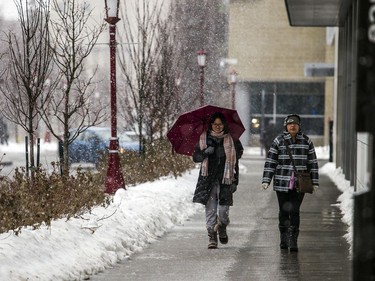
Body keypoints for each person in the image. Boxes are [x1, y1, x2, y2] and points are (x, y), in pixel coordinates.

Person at [261, 114, 319, 252]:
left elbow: (313, 163)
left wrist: (315, 181)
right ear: (286, 126)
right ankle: (283, 237)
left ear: (299, 126)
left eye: (295, 124)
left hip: (300, 183)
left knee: (294, 211)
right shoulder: (278, 141)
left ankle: (293, 239)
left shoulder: (306, 141)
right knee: (283, 211)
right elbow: (271, 162)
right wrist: (266, 180)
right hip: (282, 182)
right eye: (290, 124)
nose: (293, 126)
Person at [192, 112, 244, 249]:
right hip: (208, 179)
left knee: (223, 211)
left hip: (226, 179)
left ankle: (222, 226)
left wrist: (235, 181)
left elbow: (237, 158)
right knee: (210, 210)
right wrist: (205, 152)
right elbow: (195, 157)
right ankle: (212, 236)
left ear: (224, 125)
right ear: (211, 125)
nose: (217, 127)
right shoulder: (204, 138)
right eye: (215, 124)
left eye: (220, 124)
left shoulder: (232, 139)